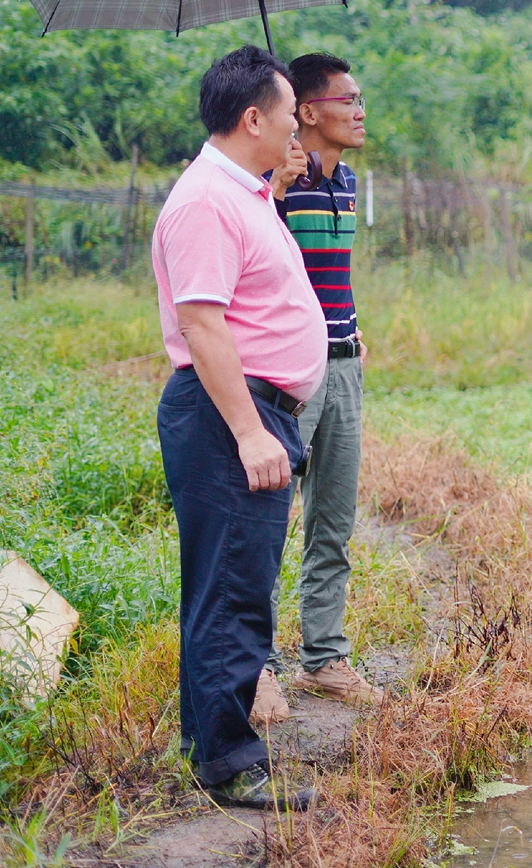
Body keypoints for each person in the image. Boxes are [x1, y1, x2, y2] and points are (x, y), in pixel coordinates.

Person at [151, 46, 323, 810]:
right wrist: (252, 432)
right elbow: (202, 323)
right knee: (230, 591)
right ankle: (225, 761)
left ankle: (216, 745)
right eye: (289, 116)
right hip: (231, 417)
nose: (297, 130)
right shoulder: (204, 201)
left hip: (250, 410)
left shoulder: (243, 192)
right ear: (253, 117)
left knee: (237, 582)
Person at [252, 53, 384, 720]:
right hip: (289, 368)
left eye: (361, 99)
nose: (359, 110)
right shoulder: (273, 179)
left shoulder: (349, 179)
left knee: (332, 516)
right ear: (307, 111)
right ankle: (257, 667)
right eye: (347, 99)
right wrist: (274, 189)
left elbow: (337, 274)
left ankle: (324, 657)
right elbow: (254, 260)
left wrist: (354, 331)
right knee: (268, 520)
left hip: (342, 363)